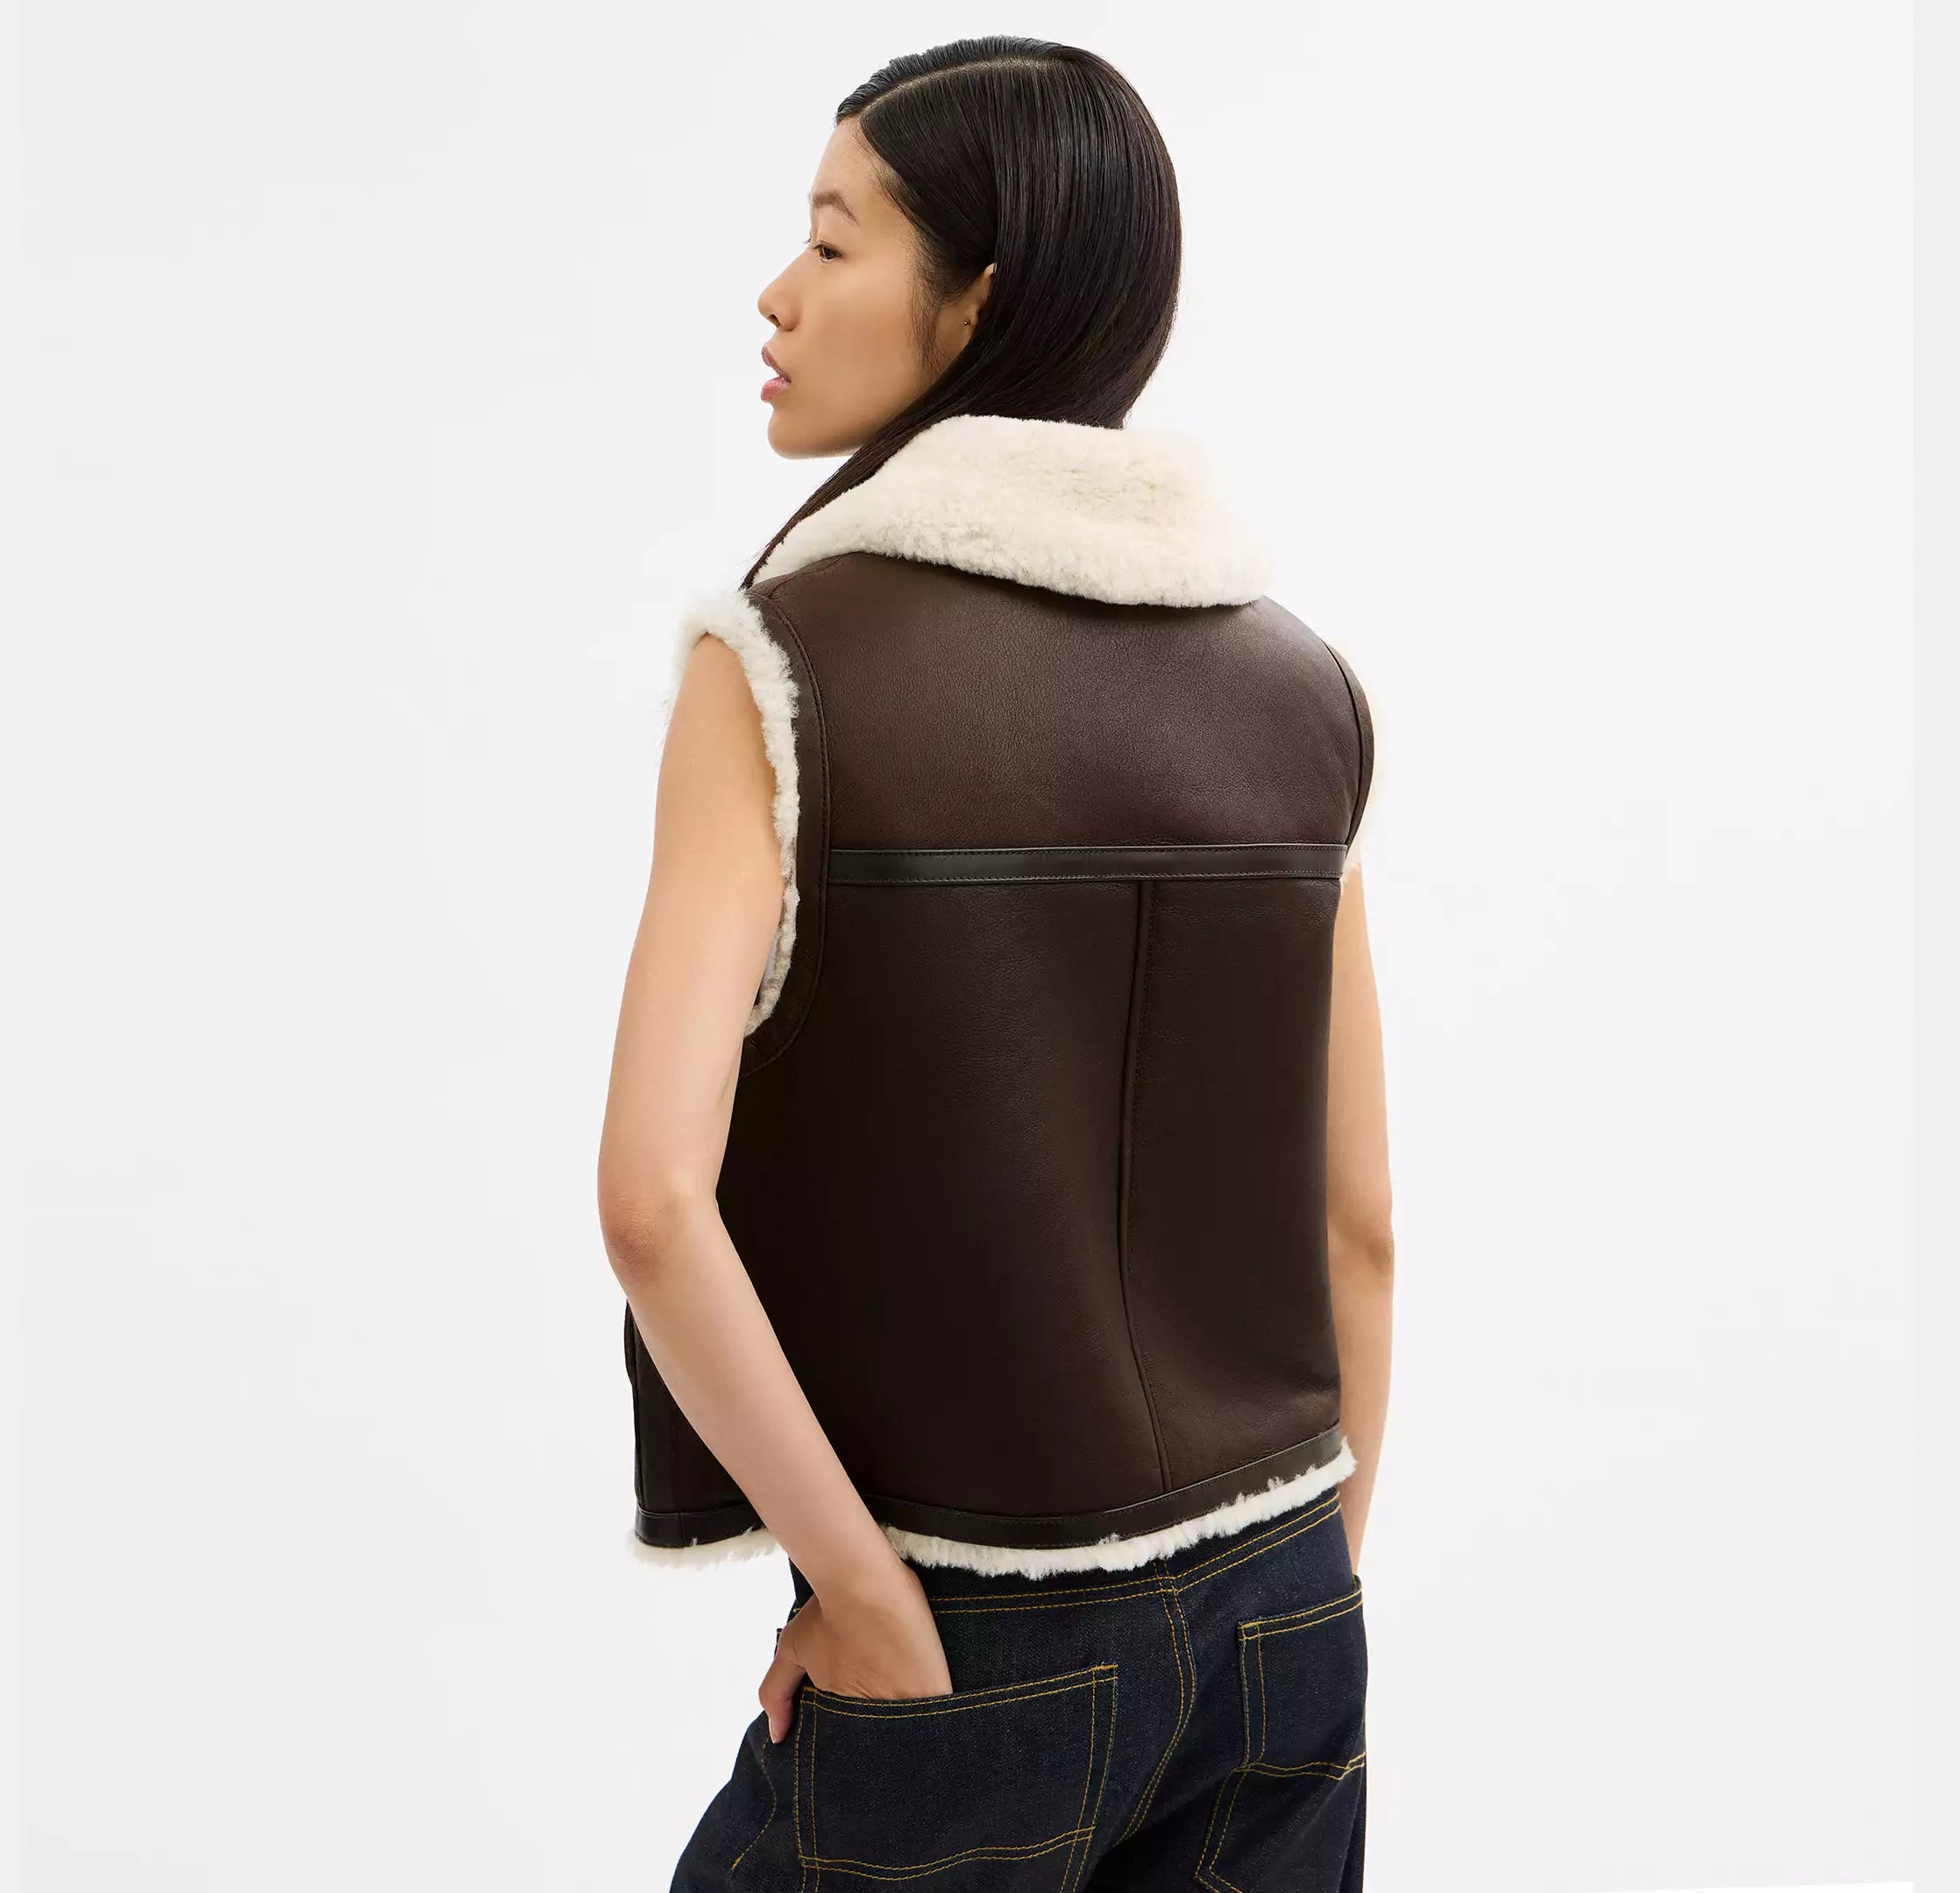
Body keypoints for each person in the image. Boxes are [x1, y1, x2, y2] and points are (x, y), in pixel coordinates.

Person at [596, 34, 1395, 1892]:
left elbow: (651, 1199)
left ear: (977, 299)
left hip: (970, 1634)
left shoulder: (779, 663)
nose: (777, 293)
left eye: (833, 241)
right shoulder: (1302, 690)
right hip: (1288, 1587)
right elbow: (1358, 1224)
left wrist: (866, 1598)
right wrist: (1310, 1584)